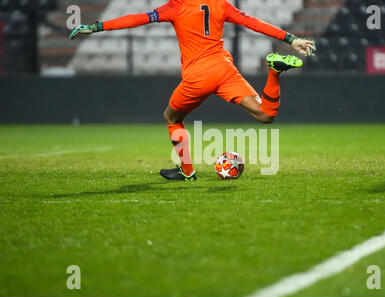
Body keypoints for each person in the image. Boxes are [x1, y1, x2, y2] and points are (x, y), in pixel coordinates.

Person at [70, 0, 316, 181]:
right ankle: (274, 72)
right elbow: (252, 22)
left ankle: (187, 171)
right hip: (224, 69)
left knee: (171, 118)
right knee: (265, 115)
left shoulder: (176, 6)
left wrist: (95, 27)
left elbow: (137, 19)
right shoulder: (221, 5)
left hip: (197, 76)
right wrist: (291, 39)